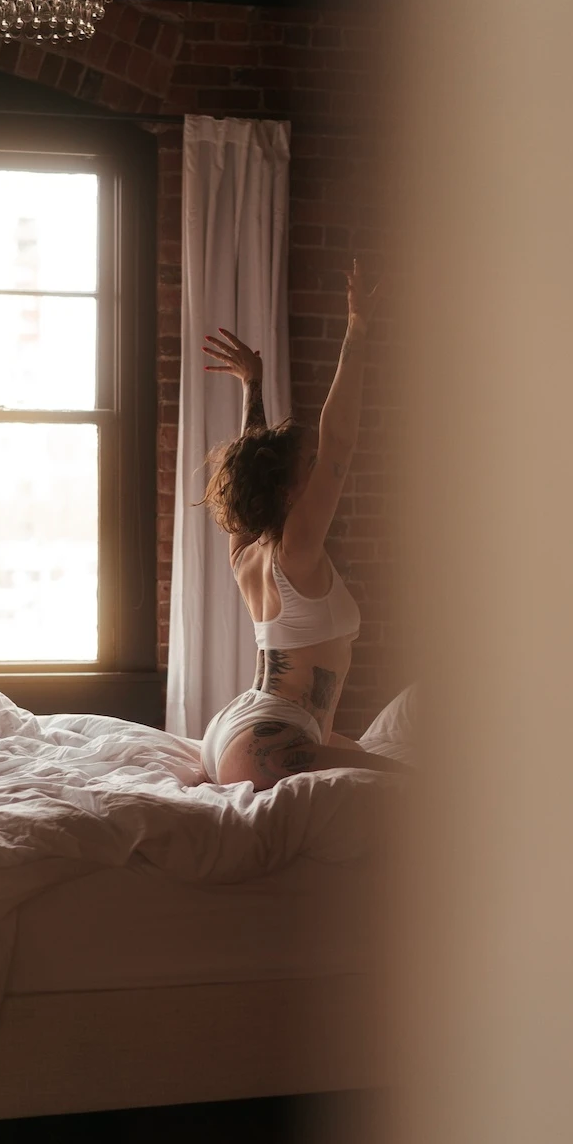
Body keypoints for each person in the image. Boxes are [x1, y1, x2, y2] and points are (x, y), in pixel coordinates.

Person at [198, 259, 406, 790]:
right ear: (291, 491)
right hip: (267, 738)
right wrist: (357, 328)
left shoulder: (246, 552)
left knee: (409, 776)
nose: (321, 475)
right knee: (425, 794)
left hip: (233, 729)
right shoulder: (296, 551)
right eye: (308, 470)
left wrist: (254, 386)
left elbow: (253, 456)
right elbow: (339, 441)